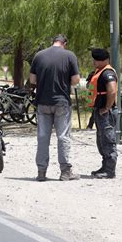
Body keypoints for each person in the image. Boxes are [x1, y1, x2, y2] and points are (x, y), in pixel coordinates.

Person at [29, 34, 80, 181]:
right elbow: (76, 80)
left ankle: (41, 172)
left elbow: (33, 79)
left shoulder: (39, 55)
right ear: (65, 43)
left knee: (43, 137)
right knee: (63, 136)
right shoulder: (69, 56)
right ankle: (65, 172)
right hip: (61, 103)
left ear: (53, 42)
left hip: (42, 102)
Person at [88, 48, 118, 179]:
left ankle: (110, 170)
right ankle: (104, 166)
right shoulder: (99, 72)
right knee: (101, 140)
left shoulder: (107, 73)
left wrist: (107, 107)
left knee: (108, 140)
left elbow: (112, 91)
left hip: (106, 112)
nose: (94, 62)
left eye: (96, 60)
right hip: (99, 110)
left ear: (104, 60)